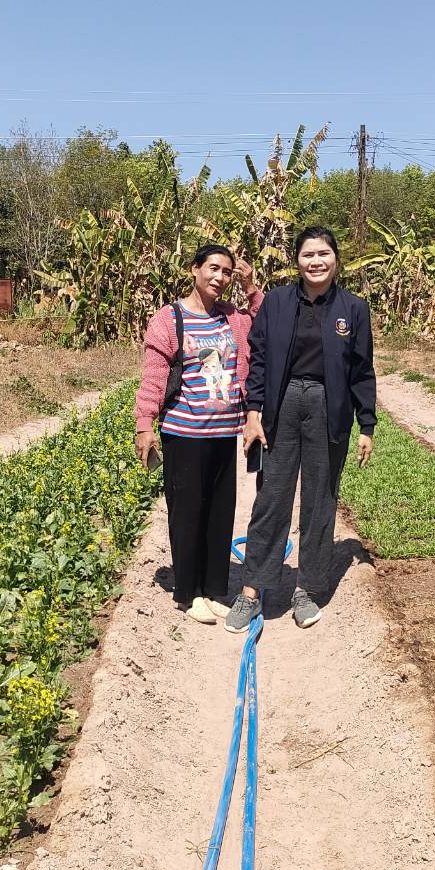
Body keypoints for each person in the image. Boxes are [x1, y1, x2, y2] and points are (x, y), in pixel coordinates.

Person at [224, 225, 376, 633]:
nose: (316, 262)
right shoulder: (275, 303)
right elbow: (256, 361)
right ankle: (252, 590)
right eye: (308, 254)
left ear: (336, 259)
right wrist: (253, 412)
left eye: (323, 254)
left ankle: (307, 589)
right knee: (272, 497)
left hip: (330, 409)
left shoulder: (353, 309)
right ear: (297, 260)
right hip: (282, 405)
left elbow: (362, 370)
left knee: (320, 501)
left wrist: (367, 424)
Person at [135, 245, 262, 624]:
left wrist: (252, 286)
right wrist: (145, 425)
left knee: (220, 515)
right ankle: (188, 593)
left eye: (226, 272)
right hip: (184, 433)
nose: (219, 278)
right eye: (212, 269)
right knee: (187, 514)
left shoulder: (234, 320)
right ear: (194, 270)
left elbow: (269, 322)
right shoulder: (169, 319)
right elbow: (154, 378)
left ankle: (212, 589)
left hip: (224, 434)